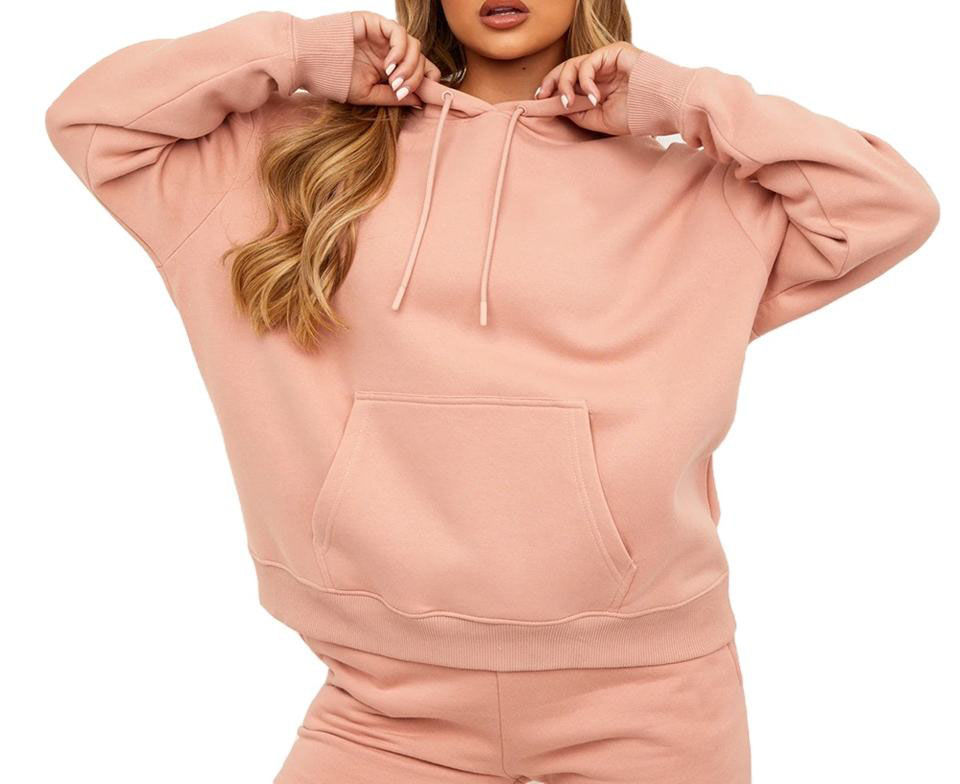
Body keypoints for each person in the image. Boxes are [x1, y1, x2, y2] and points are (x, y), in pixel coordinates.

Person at [45, 2, 939, 782]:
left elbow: (889, 204)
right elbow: (94, 120)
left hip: (652, 697)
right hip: (384, 701)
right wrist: (298, 51)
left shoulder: (696, 193)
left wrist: (682, 99)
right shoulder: (301, 161)